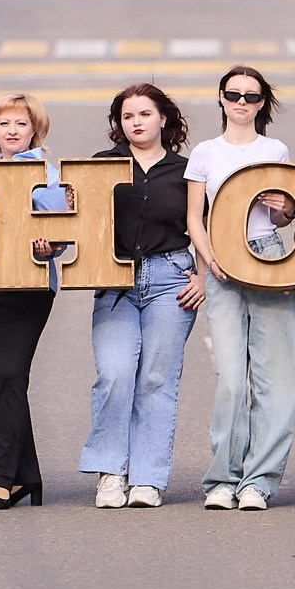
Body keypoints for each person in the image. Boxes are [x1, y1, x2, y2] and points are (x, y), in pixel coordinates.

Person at [82, 84, 202, 508]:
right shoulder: (101, 165)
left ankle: (148, 478)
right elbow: (82, 222)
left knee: (156, 378)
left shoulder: (187, 170)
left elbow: (207, 227)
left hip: (171, 277)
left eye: (145, 114)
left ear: (163, 119)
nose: (136, 122)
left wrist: (203, 277)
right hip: (115, 280)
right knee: (114, 374)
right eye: (128, 116)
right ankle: (110, 473)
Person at [188, 66, 295, 511]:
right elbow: (194, 217)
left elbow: (283, 215)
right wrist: (208, 258)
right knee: (232, 380)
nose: (241, 103)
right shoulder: (205, 152)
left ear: (261, 104)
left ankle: (259, 481)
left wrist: (286, 208)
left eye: (251, 97)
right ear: (220, 97)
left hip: (269, 255)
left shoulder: (275, 150)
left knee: (275, 378)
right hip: (222, 261)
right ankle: (223, 478)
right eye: (233, 94)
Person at [0, 92, 65, 509]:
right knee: (3, 383)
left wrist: (51, 246)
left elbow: (64, 228)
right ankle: (29, 476)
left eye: (21, 124)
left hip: (28, 287)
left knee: (10, 375)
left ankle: (1, 478)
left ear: (35, 130)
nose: (12, 131)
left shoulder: (45, 173)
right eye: (4, 123)